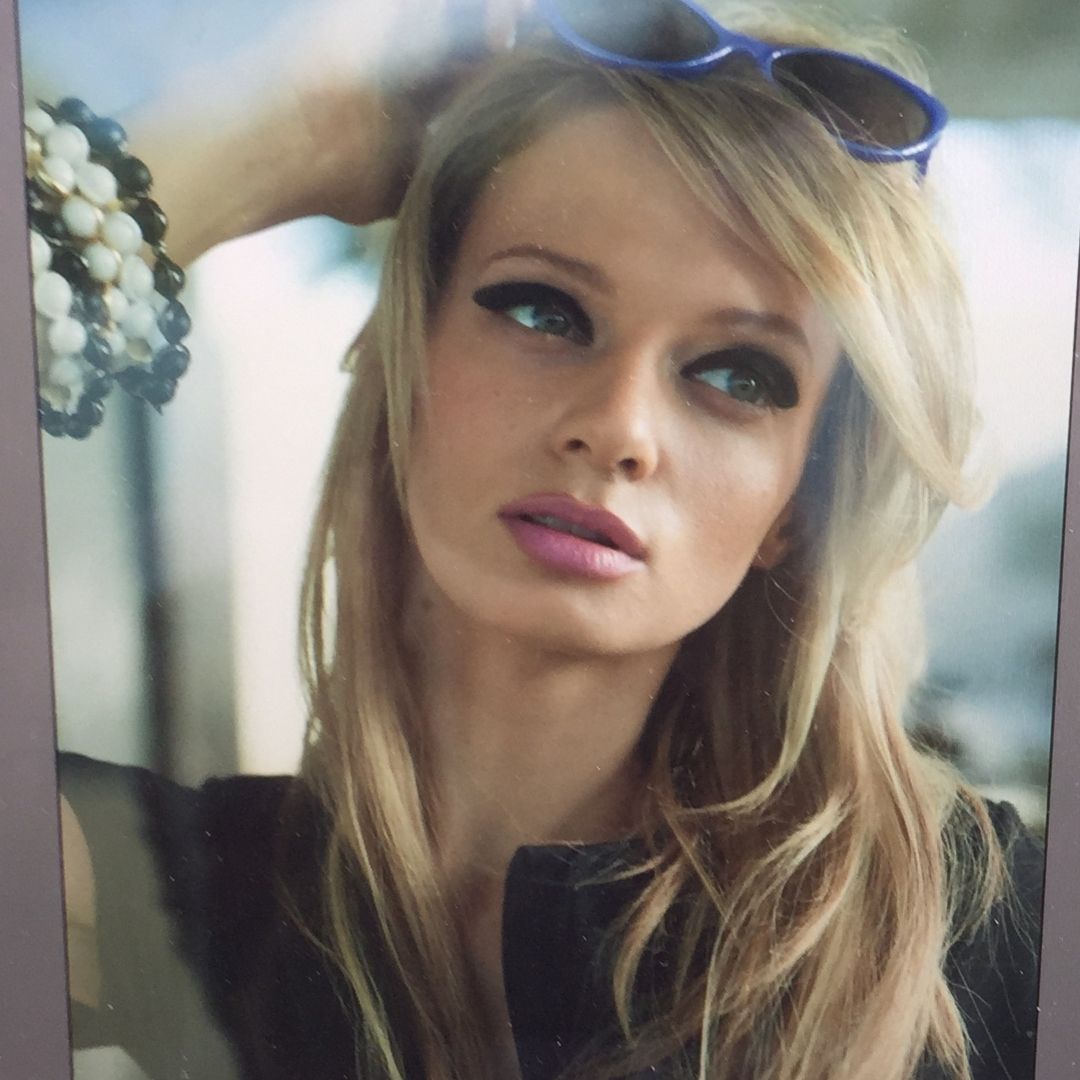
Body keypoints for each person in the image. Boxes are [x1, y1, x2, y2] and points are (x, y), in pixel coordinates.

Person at [47, 2, 1043, 1079]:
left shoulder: (988, 926)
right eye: (544, 310)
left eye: (736, 376)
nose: (616, 426)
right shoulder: (180, 891)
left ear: (800, 510)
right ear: (407, 365)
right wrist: (298, 146)